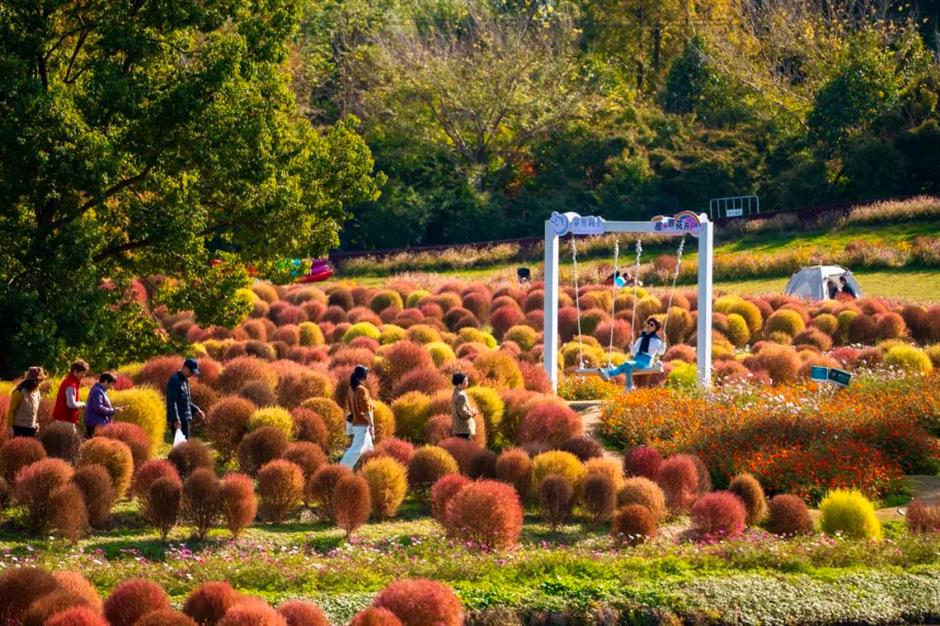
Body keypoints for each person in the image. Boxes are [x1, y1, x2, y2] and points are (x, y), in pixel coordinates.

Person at [600, 317, 666, 390]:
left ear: (655, 328)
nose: (648, 325)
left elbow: (661, 352)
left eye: (651, 325)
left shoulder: (657, 341)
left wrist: (663, 342)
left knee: (627, 364)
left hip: (646, 362)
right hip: (637, 359)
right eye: (648, 323)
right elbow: (634, 352)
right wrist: (631, 342)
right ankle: (613, 376)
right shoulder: (641, 338)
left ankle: (614, 375)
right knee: (626, 365)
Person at [340, 365, 375, 468]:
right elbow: (366, 410)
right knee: (356, 450)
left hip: (356, 423)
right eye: (366, 373)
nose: (368, 374)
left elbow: (351, 407)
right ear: (364, 376)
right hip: (362, 425)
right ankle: (341, 469)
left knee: (369, 449)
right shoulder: (361, 390)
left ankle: (370, 468)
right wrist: (372, 425)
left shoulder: (351, 388)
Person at [166, 358, 205, 441]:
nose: (192, 374)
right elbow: (172, 402)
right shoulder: (175, 380)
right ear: (185, 368)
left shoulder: (184, 380)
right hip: (179, 420)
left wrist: (197, 410)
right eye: (191, 372)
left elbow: (186, 401)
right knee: (181, 447)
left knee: (184, 445)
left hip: (185, 418)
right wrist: (176, 419)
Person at [7, 367, 47, 438]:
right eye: (40, 381)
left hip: (31, 429)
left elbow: (35, 411)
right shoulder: (19, 393)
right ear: (34, 381)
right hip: (18, 429)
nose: (41, 383)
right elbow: (11, 411)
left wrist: (36, 423)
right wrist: (10, 428)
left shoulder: (37, 392)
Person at [84, 372, 124, 438]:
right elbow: (99, 408)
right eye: (111, 384)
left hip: (98, 423)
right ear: (105, 381)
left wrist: (114, 409)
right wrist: (114, 410)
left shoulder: (101, 390)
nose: (111, 386)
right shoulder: (97, 391)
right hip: (96, 425)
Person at [52, 360, 89, 431]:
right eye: (83, 373)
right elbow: (71, 404)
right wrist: (83, 404)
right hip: (65, 420)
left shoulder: (70, 382)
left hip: (63, 419)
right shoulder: (71, 384)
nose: (84, 375)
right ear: (75, 371)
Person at [450, 372, 477, 441]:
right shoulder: (461, 395)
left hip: (458, 428)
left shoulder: (455, 392)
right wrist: (472, 413)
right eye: (465, 381)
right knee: (467, 449)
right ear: (459, 383)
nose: (467, 383)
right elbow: (462, 412)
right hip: (463, 429)